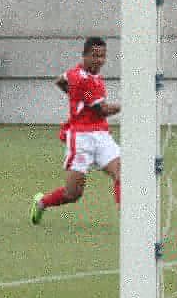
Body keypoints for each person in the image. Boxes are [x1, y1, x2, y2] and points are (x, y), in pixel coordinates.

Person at [30, 37, 121, 224]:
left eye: (103, 56)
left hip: (102, 135)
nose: (99, 60)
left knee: (122, 174)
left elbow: (60, 81)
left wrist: (76, 100)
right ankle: (42, 202)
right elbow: (101, 110)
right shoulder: (82, 80)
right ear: (85, 56)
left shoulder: (75, 74)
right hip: (81, 139)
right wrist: (127, 105)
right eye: (95, 56)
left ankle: (129, 220)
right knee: (73, 194)